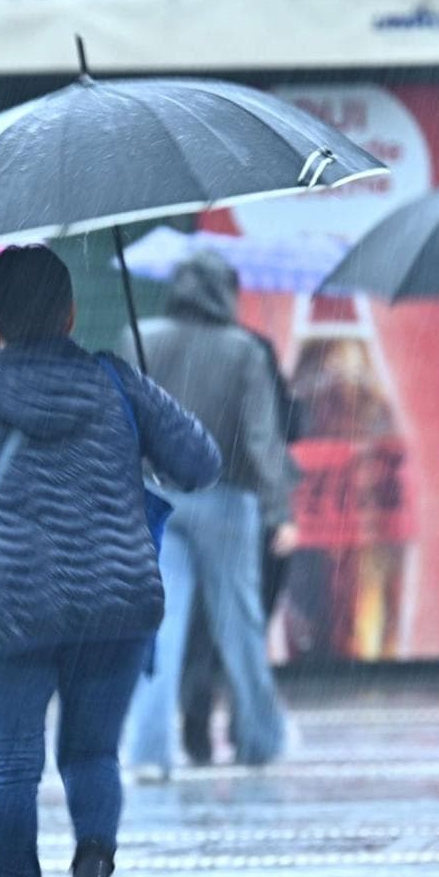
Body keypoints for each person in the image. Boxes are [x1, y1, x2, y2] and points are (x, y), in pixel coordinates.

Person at [0, 246, 218, 877]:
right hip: (112, 603)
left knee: (10, 766)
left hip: (7, 605)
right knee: (90, 755)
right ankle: (92, 870)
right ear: (71, 313)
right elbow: (200, 462)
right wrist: (143, 419)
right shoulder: (115, 379)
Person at [122, 251, 296, 780]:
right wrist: (278, 510)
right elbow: (262, 436)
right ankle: (260, 740)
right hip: (226, 496)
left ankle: (150, 752)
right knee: (239, 624)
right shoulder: (242, 350)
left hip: (157, 497)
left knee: (162, 624)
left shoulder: (140, 339)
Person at [180, 324, 302, 766]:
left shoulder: (172, 343)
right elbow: (276, 433)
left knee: (197, 624)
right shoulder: (254, 348)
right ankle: (245, 724)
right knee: (247, 620)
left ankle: (196, 709)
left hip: (187, 495)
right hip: (249, 501)